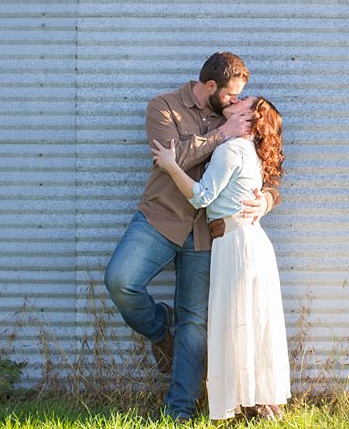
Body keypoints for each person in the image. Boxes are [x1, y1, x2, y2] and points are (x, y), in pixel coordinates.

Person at [103, 52, 281, 422]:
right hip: (160, 219)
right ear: (211, 86)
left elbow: (264, 167)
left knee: (194, 322)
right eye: (232, 95)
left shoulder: (236, 120)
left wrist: (266, 199)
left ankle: (180, 409)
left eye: (240, 97)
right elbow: (171, 158)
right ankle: (159, 328)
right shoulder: (164, 107)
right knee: (120, 281)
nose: (236, 101)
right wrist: (220, 135)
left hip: (207, 235)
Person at [152, 96, 290, 421]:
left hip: (237, 244)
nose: (237, 98)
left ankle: (248, 405)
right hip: (246, 242)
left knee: (236, 323)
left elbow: (201, 197)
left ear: (248, 117)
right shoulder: (249, 152)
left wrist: (171, 164)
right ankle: (258, 404)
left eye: (245, 101)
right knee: (250, 323)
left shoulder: (231, 150)